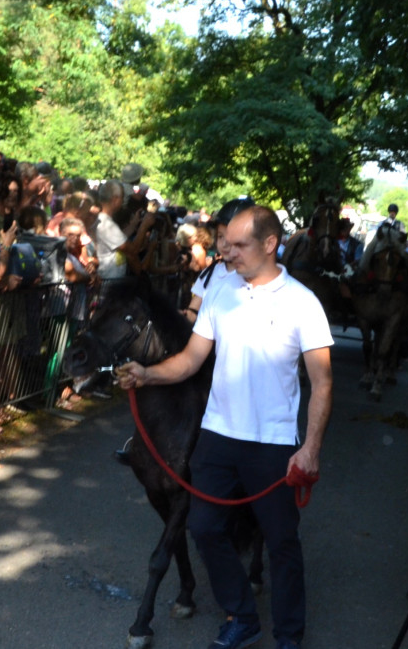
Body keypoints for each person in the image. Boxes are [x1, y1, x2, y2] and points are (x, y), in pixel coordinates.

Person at [117, 205, 333, 649]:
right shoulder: (221, 291)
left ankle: (290, 636)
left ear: (270, 244)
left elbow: (323, 381)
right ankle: (242, 615)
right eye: (225, 243)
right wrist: (147, 373)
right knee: (205, 528)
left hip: (272, 444)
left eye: (238, 245)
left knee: (281, 542)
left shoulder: (302, 302)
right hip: (217, 437)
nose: (227, 253)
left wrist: (310, 447)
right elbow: (190, 360)